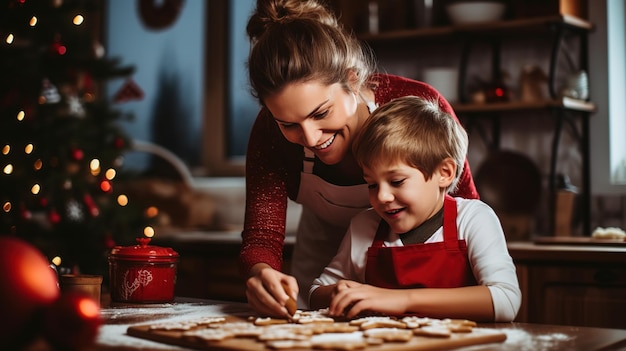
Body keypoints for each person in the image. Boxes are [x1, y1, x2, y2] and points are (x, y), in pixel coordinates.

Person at [240, 0, 480, 318]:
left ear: (352, 81)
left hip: (420, 251)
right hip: (323, 250)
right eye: (289, 124)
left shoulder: (419, 106)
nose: (311, 139)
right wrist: (261, 274)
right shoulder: (269, 133)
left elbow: (466, 209)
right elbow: (262, 234)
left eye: (321, 113)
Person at [309, 96, 521, 322]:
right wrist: (341, 292)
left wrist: (401, 300)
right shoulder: (365, 226)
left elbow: (505, 300)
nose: (381, 196)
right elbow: (315, 294)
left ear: (444, 173)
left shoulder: (473, 219)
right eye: (372, 184)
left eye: (397, 181)